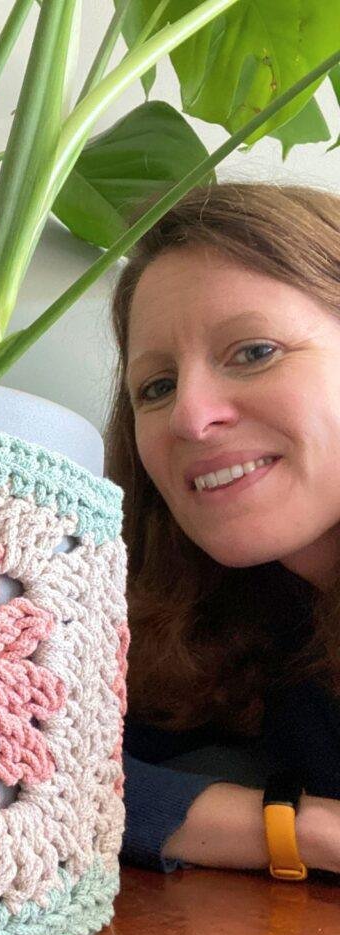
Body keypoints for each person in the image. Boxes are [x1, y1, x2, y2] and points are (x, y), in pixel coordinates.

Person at [102, 182, 340, 878]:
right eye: (157, 386)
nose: (189, 416)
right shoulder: (252, 615)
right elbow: (30, 771)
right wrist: (303, 829)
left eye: (254, 351)